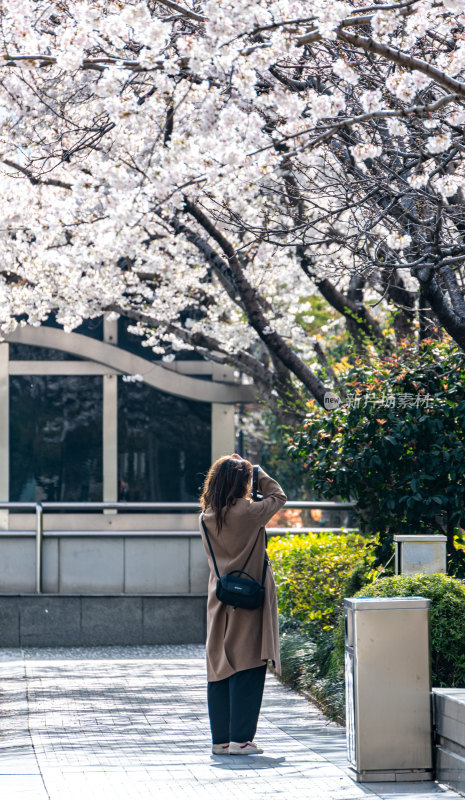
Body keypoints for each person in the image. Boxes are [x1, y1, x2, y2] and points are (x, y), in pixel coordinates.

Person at [199, 454, 287, 756]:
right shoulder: (249, 513)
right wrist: (258, 470)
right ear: (241, 483)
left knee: (219, 665)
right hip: (249, 598)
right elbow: (279, 496)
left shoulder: (206, 516)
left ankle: (220, 741)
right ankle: (242, 740)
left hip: (219, 597)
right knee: (248, 663)